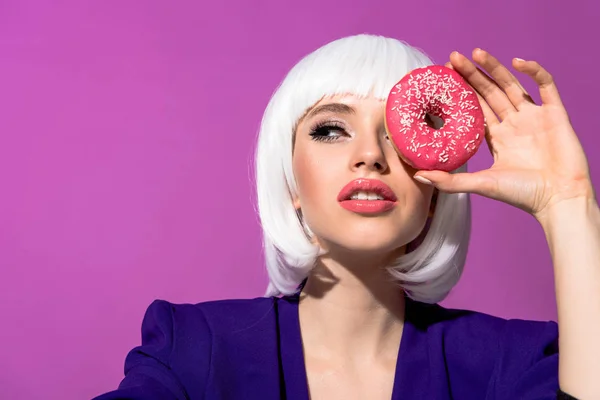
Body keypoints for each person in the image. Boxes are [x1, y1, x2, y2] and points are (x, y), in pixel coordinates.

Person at [93, 34, 599, 399]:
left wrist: (568, 204)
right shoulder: (193, 348)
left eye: (400, 132)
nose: (370, 156)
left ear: (437, 190)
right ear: (289, 179)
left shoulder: (508, 363)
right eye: (331, 129)